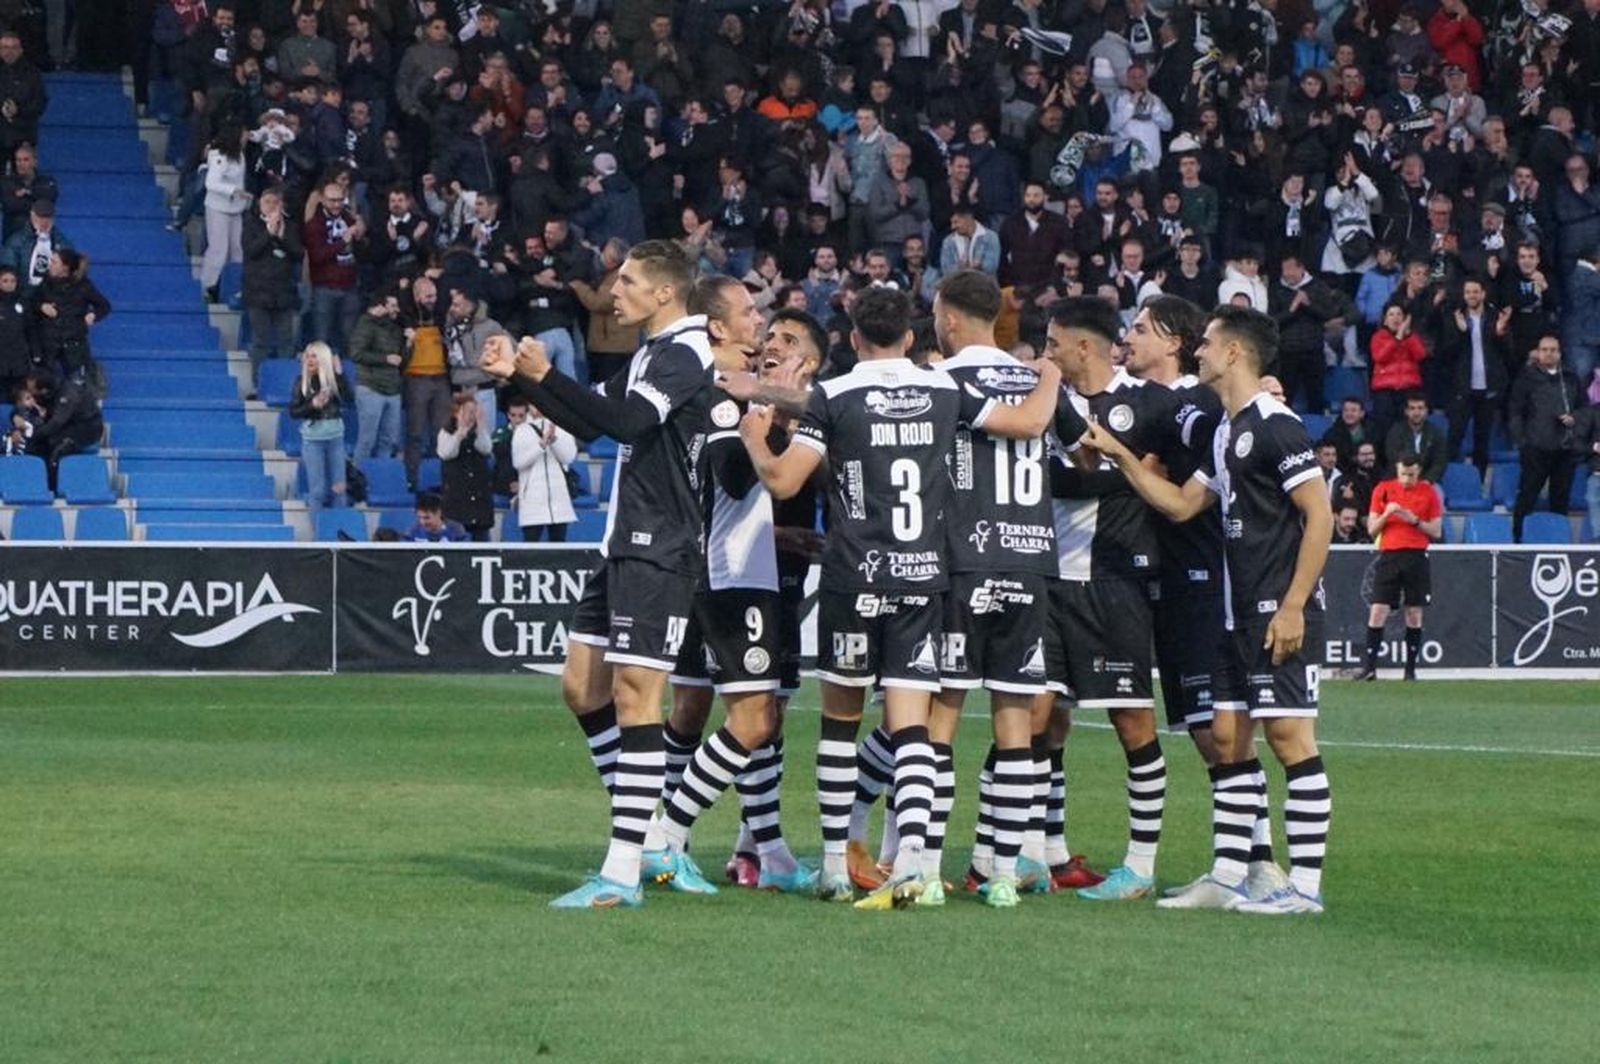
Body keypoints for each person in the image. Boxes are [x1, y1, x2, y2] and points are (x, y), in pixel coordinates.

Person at [479, 240, 713, 910]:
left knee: (638, 699)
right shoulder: (651, 353)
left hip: (660, 546)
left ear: (666, 292)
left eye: (631, 281)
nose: (616, 291)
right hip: (625, 544)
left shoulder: (683, 353)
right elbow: (590, 418)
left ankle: (622, 871)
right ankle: (653, 842)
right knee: (584, 690)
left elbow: (626, 421)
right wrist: (520, 379)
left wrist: (545, 375)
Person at [1084, 305, 1334, 915]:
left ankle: (1301, 887)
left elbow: (1320, 515)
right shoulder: (1228, 431)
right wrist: (1118, 455)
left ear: (1233, 354)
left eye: (1209, 344)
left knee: (1289, 738)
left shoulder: (1276, 424)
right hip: (1232, 611)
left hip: (1277, 608)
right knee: (1226, 738)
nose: (1198, 352)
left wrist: (1295, 605)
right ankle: (1227, 876)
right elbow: (1180, 504)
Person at [738, 286, 965, 911]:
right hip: (923, 576)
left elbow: (784, 478)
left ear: (853, 338)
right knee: (911, 729)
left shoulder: (834, 396)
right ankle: (913, 865)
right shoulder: (946, 391)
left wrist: (757, 435)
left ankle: (836, 865)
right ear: (912, 338)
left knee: (841, 725)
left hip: (854, 577)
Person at [917, 270, 1071, 908]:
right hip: (1031, 561)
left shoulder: (943, 381)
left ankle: (924, 867)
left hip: (963, 563)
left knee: (939, 718)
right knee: (1015, 723)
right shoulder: (1034, 380)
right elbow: (1072, 456)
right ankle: (1005, 872)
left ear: (951, 319)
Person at [1041, 296, 1197, 903]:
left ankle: (1140, 865)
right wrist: (1110, 473)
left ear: (1084, 345)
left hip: (1116, 582)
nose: (1045, 354)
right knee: (1044, 721)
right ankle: (1049, 853)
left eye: (1054, 343)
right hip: (1050, 581)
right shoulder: (1041, 404)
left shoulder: (1148, 403)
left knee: (1132, 720)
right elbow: (1059, 479)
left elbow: (1186, 457)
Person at [1360, 452, 1444, 682]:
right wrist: (1388, 514)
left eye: (1412, 475)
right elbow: (1372, 529)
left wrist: (1413, 519)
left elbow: (1436, 530)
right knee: (1378, 609)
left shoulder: (1429, 492)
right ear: (1397, 471)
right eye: (1403, 474)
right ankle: (1369, 668)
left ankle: (1410, 670)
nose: (1407, 480)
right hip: (1389, 554)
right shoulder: (1383, 489)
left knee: (1414, 612)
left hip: (1416, 554)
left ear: (1419, 472)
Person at [1508, 335, 1584, 542]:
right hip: (1535, 449)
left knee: (1560, 500)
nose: (1549, 353)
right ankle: (1518, 541)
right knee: (1527, 497)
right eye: (1544, 349)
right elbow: (1515, 411)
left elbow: (1584, 409)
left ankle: (1558, 542)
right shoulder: (1526, 378)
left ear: (1560, 353)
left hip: (1565, 450)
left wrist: (1575, 419)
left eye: (1553, 349)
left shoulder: (1570, 378)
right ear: (1538, 352)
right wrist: (1522, 442)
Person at [240, 187, 302, 394]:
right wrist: (269, 233)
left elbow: (298, 253)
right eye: (267, 202)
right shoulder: (251, 225)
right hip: (258, 294)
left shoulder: (290, 226)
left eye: (276, 202)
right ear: (259, 205)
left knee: (287, 342)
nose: (272, 206)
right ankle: (260, 385)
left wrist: (282, 236)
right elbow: (251, 250)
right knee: (261, 342)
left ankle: (285, 386)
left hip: (284, 294)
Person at [31, 249, 110, 384]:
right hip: (49, 342)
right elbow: (33, 302)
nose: (50, 264)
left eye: (54, 262)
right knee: (45, 384)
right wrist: (41, 306)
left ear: (65, 268)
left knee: (76, 385)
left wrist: (93, 315)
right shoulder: (46, 283)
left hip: (73, 343)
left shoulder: (83, 286)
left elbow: (104, 306)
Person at [290, 342, 351, 512]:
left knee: (339, 489)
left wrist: (339, 374)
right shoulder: (301, 382)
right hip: (313, 441)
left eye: (314, 356)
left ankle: (338, 532)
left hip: (335, 439)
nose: (309, 360)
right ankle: (318, 534)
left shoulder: (333, 380)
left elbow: (349, 398)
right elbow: (293, 412)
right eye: (308, 356)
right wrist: (313, 405)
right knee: (317, 491)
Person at [348, 290, 405, 460]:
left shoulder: (395, 328)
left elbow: (400, 359)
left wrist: (410, 344)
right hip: (370, 387)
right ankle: (359, 480)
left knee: (389, 441)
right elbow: (356, 354)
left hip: (393, 389)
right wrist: (385, 358)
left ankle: (382, 480)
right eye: (393, 306)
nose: (397, 310)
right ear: (381, 307)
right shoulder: (365, 324)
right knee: (367, 440)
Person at [20, 371, 102, 490]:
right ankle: (33, 484)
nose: (31, 393)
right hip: (67, 426)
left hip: (87, 427)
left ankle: (53, 488)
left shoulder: (68, 394)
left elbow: (57, 422)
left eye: (32, 390)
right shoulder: (47, 395)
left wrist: (35, 434)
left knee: (57, 447)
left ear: (43, 390)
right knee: (35, 445)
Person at [510, 399, 577, 542]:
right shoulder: (522, 430)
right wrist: (540, 446)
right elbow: (518, 462)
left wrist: (554, 441)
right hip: (532, 501)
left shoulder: (561, 427)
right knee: (531, 547)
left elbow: (569, 457)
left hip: (559, 500)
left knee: (559, 546)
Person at [200, 124, 250, 303]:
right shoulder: (219, 156)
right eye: (243, 135)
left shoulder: (240, 155)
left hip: (235, 209)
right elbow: (211, 183)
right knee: (218, 249)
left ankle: (234, 286)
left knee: (237, 249)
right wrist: (234, 191)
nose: (246, 138)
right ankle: (207, 285)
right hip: (217, 207)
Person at [436, 392, 495, 541]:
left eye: (475, 411)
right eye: (469, 412)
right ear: (457, 412)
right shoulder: (446, 432)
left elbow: (485, 448)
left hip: (479, 500)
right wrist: (459, 435)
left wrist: (481, 427)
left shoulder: (479, 432)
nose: (472, 415)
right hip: (457, 500)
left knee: (481, 540)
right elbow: (446, 453)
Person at [1369, 304, 1426, 433]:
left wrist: (1408, 336)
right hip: (1385, 388)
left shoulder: (1412, 337)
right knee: (1384, 425)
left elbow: (1420, 355)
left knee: (1407, 426)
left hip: (1408, 387)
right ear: (1385, 320)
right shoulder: (1378, 337)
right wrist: (1397, 339)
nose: (1396, 318)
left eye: (1399, 314)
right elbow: (1380, 357)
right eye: (1391, 314)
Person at [1383, 393, 1448, 482]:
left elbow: (1439, 462)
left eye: (1420, 408)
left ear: (1426, 411)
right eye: (1412, 408)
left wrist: (1428, 480)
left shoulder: (1436, 433)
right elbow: (1393, 458)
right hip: (1400, 480)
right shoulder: (1395, 431)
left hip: (1427, 481)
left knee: (1437, 495)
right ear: (1406, 411)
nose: (1416, 413)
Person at [405, 491, 469, 542]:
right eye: (419, 517)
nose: (422, 522)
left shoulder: (456, 530)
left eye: (427, 518)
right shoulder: (413, 531)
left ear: (438, 513)